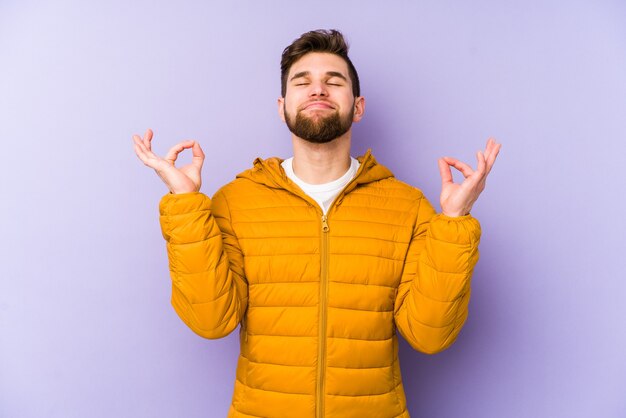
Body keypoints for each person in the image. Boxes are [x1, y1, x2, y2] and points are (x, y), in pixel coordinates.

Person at [132, 29, 501, 418]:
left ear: (357, 107)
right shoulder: (236, 203)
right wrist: (185, 203)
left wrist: (454, 222)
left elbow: (429, 336)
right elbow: (210, 321)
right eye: (302, 82)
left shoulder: (407, 207)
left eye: (333, 81)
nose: (318, 90)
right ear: (282, 106)